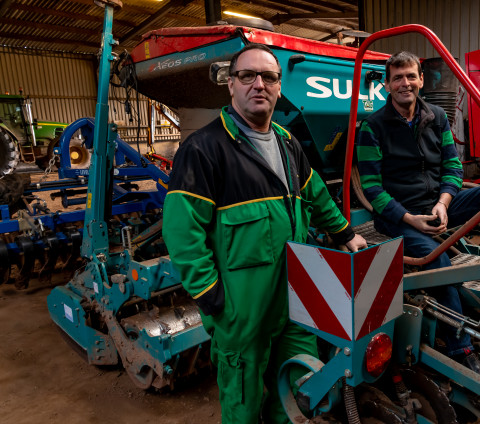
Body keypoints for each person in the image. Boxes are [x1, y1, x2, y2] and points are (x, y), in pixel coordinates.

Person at [163, 43, 367, 424]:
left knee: (299, 388)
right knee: (243, 400)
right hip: (243, 306)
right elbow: (181, 232)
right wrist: (212, 297)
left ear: (278, 85)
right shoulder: (204, 148)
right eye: (247, 76)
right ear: (231, 84)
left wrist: (344, 233)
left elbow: (316, 193)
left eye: (268, 77)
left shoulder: (287, 143)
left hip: (295, 298)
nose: (259, 84)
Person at [357, 51, 480, 372]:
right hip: (400, 217)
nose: (405, 83)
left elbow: (453, 165)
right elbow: (371, 188)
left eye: (411, 76)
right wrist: (409, 218)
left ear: (421, 80)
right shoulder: (372, 127)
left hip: (436, 206)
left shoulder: (436, 116)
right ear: (386, 85)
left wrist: (444, 203)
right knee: (439, 263)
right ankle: (461, 349)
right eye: (397, 77)